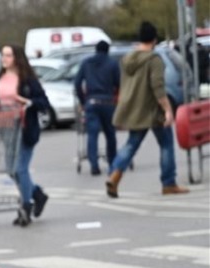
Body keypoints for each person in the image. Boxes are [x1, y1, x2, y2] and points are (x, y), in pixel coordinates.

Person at [107, 21, 188, 198]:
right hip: (152, 110)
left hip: (134, 110)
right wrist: (167, 110)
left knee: (131, 144)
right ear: (154, 39)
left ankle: (114, 175)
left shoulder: (127, 59)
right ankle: (169, 183)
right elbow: (158, 87)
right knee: (166, 144)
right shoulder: (154, 60)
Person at [0, 45, 51, 227]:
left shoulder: (27, 79)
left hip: (24, 128)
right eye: (3, 55)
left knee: (20, 169)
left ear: (17, 57)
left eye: (8, 55)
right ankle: (37, 194)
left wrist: (29, 102)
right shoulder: (0, 77)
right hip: (7, 128)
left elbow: (43, 102)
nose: (4, 58)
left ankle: (26, 206)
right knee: (11, 169)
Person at [74, 41, 120, 176]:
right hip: (107, 102)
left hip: (91, 102)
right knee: (110, 134)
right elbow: (119, 83)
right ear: (107, 50)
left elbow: (77, 83)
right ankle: (112, 162)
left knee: (92, 135)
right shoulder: (112, 64)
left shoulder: (86, 63)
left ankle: (94, 165)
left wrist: (83, 101)